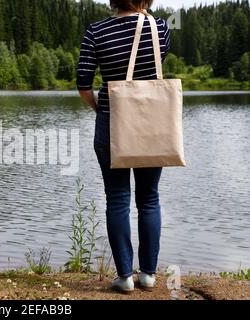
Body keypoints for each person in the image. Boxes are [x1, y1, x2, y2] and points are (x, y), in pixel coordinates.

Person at [76, 0, 172, 293]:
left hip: (110, 122)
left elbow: (83, 84)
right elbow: (153, 64)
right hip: (152, 123)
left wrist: (102, 110)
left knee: (117, 198)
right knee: (149, 198)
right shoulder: (160, 28)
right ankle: (148, 275)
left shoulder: (96, 31)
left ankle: (125, 278)